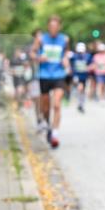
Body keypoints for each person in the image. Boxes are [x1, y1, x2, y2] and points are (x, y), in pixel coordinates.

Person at [30, 15, 71, 148]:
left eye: (56, 26)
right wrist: (38, 57)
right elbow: (32, 53)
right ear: (48, 27)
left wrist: (66, 60)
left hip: (59, 75)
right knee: (46, 107)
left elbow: (66, 53)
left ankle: (55, 134)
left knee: (57, 104)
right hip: (45, 75)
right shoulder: (41, 39)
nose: (53, 29)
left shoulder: (64, 39)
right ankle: (48, 125)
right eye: (51, 26)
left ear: (59, 27)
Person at [70, 42, 91, 113]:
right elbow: (70, 65)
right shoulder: (74, 56)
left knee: (82, 90)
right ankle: (79, 103)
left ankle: (81, 104)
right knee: (79, 88)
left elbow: (92, 64)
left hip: (84, 76)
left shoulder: (88, 56)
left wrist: (89, 68)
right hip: (76, 75)